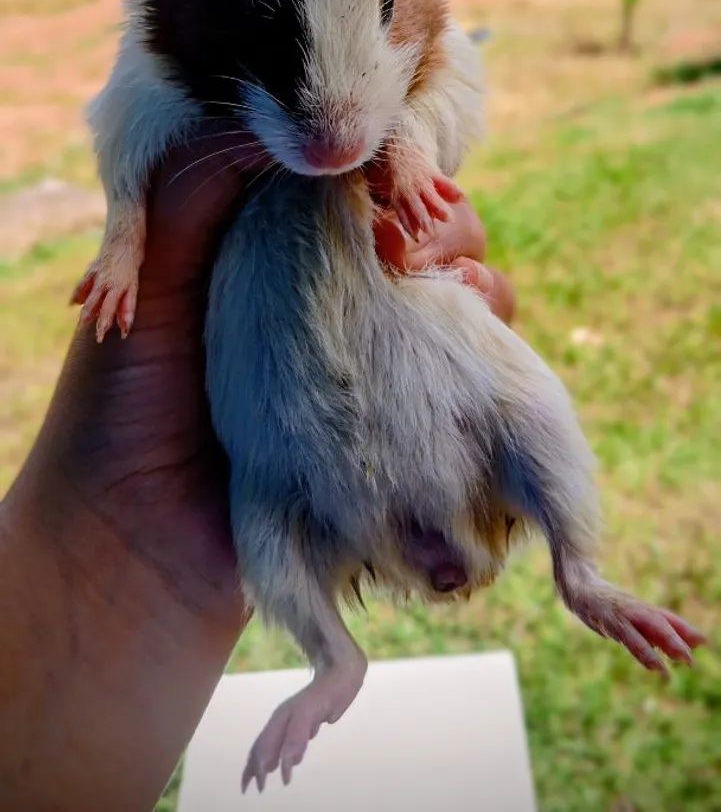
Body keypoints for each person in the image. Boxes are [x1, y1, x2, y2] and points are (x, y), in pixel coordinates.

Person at [0, 134, 514, 812]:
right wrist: (130, 230)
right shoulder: (214, 131)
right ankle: (336, 653)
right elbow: (126, 125)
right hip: (262, 452)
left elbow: (440, 105)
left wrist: (412, 154)